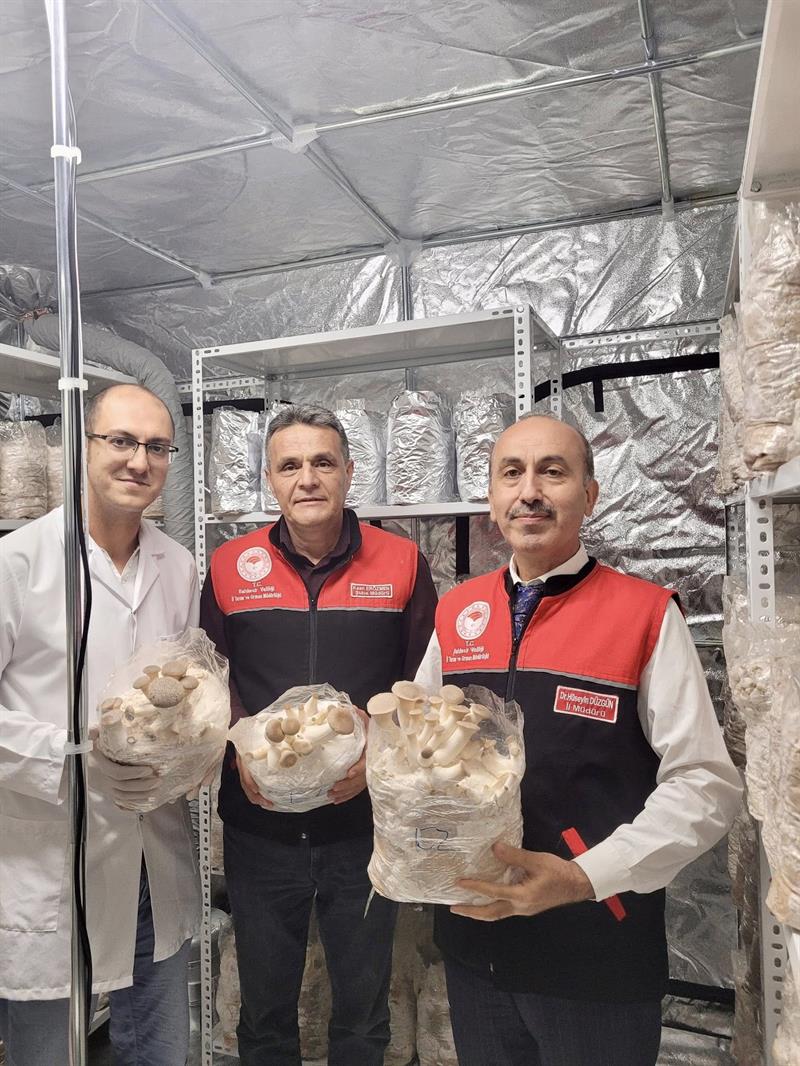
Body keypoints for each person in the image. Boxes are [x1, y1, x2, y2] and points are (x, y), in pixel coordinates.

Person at [414, 413, 743, 1066]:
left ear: (589, 496)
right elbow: (418, 751)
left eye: (553, 472)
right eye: (512, 473)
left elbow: (705, 783)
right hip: (476, 950)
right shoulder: (458, 612)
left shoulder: (644, 614)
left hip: (594, 955)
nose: (529, 492)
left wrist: (582, 877)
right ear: (492, 498)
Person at [200, 403, 437, 1066]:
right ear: (270, 480)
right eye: (290, 465)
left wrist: (379, 759)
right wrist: (239, 750)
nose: (307, 478)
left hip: (360, 830)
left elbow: (422, 686)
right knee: (265, 1013)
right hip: (260, 832)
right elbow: (212, 679)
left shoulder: (401, 562)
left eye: (323, 462)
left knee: (362, 1013)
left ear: (349, 472)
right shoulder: (230, 565)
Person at [0, 383, 201, 1066]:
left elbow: (183, 694)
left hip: (152, 857)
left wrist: (195, 748)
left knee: (161, 1051)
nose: (139, 461)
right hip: (53, 856)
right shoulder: (20, 562)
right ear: (83, 447)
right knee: (46, 1052)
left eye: (156, 447)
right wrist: (70, 757)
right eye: (120, 441)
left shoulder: (178, 568)